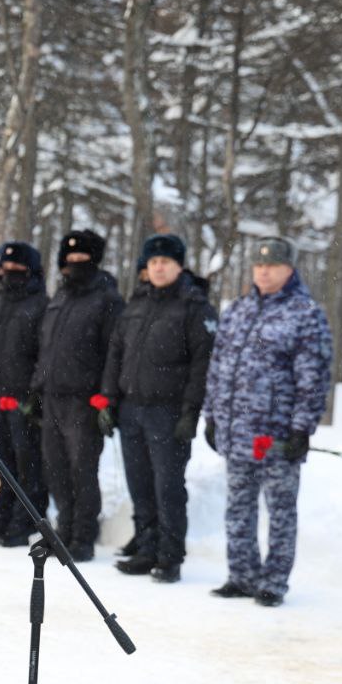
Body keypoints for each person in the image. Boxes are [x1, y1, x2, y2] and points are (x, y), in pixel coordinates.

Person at [204, 236, 332, 607]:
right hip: (235, 429)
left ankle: (274, 581)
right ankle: (241, 574)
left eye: (272, 265)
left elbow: (313, 378)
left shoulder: (304, 314)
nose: (263, 271)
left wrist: (300, 428)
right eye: (259, 265)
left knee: (279, 511)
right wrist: (212, 416)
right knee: (238, 506)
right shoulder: (238, 310)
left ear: (289, 269)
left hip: (276, 435)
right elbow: (219, 368)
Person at [102, 235, 217, 581]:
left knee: (167, 486)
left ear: (179, 265)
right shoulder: (135, 304)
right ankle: (147, 545)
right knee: (139, 483)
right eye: (153, 262)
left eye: (166, 261)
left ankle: (169, 555)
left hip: (168, 413)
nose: (159, 267)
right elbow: (116, 354)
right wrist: (108, 399)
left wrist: (190, 412)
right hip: (131, 408)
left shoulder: (195, 306)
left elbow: (203, 365)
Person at [30, 229, 125, 561]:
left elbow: (113, 352)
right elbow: (46, 347)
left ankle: (83, 535)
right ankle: (63, 528)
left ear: (94, 260)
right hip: (52, 395)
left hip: (84, 400)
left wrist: (106, 397)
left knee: (81, 469)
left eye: (81, 258)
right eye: (68, 259)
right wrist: (37, 386)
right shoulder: (59, 297)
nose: (73, 264)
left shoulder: (107, 299)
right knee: (55, 468)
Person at [0, 241, 50, 547]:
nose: (9, 273)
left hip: (22, 398)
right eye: (4, 269)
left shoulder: (40, 305)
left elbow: (45, 355)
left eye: (16, 269)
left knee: (27, 463)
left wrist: (35, 396)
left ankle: (25, 518)